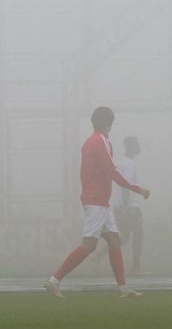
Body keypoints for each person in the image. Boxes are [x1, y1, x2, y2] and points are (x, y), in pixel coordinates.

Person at [45, 106, 150, 299]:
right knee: (89, 245)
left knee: (114, 240)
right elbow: (112, 171)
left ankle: (123, 288)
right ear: (110, 123)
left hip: (99, 200)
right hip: (97, 201)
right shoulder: (100, 142)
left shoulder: (90, 141)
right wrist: (138, 189)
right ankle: (55, 280)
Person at [113, 136, 146, 273]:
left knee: (126, 236)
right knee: (136, 235)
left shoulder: (123, 162)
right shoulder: (129, 165)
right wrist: (127, 208)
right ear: (131, 146)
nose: (139, 146)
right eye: (136, 144)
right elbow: (126, 186)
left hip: (124, 206)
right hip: (129, 206)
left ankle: (98, 255)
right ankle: (136, 267)